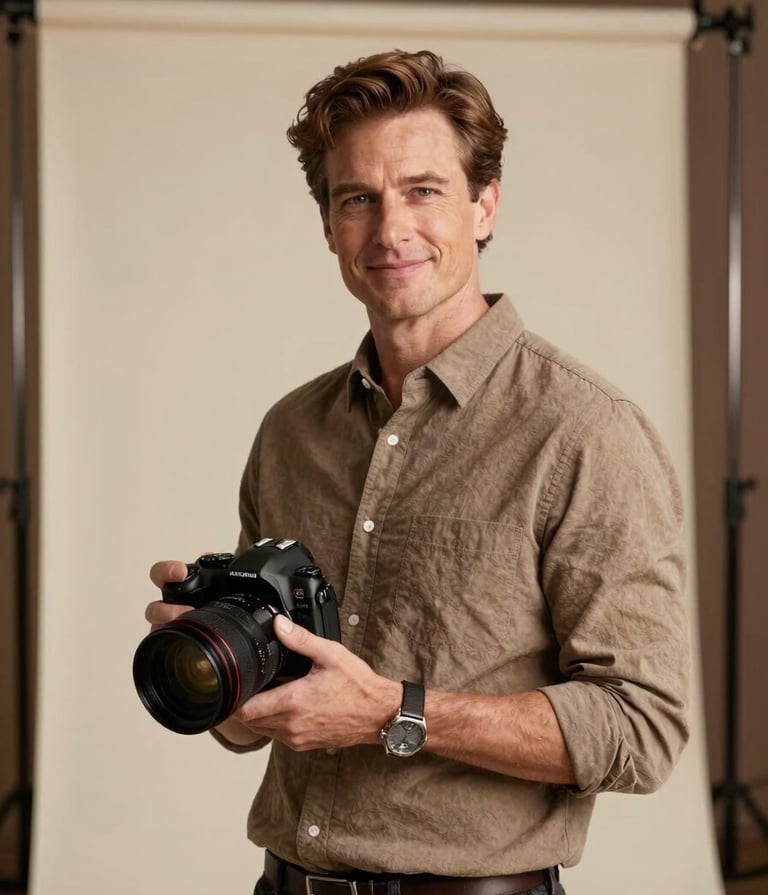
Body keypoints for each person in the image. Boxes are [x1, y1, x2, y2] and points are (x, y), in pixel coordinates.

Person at [145, 50, 690, 895]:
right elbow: (274, 716)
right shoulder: (292, 430)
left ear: (484, 206)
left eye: (423, 190)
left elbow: (643, 726)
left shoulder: (584, 432)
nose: (389, 228)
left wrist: (394, 713)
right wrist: (220, 671)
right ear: (328, 225)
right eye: (356, 197)